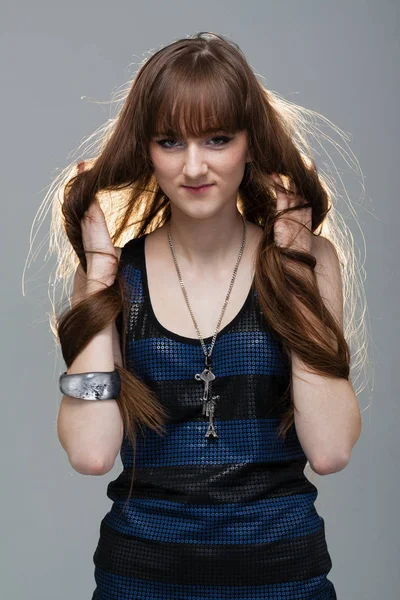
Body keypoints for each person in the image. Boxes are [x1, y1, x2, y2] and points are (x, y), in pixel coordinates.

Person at [41, 31, 369, 599]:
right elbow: (92, 454)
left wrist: (291, 273)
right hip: (141, 582)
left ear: (250, 143)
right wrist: (96, 275)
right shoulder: (114, 276)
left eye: (217, 139)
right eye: (171, 141)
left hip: (283, 581)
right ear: (145, 149)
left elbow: (331, 448)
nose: (194, 166)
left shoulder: (306, 261)